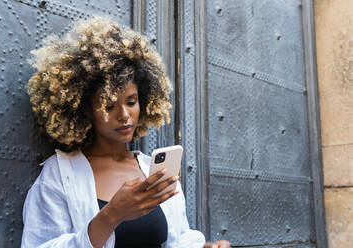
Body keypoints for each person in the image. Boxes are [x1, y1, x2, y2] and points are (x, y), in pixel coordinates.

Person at [21, 16, 231, 248]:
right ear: (85, 110)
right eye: (109, 106)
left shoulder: (154, 170)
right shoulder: (60, 174)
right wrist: (112, 215)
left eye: (131, 102)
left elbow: (178, 237)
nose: (124, 115)